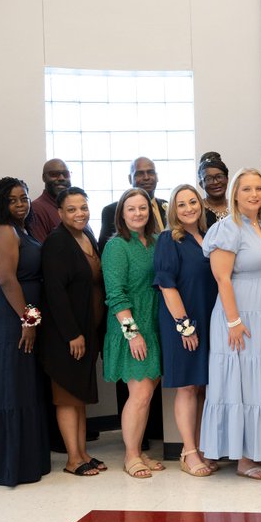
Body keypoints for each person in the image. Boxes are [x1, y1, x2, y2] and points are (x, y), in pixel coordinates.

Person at [200, 168, 261, 479]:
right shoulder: (227, 228)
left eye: (258, 188)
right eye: (247, 189)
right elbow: (222, 278)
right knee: (244, 382)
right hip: (240, 311)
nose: (254, 194)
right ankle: (244, 459)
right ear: (235, 193)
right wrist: (234, 321)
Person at [0, 177, 52, 487]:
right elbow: (9, 280)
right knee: (11, 388)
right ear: (0, 203)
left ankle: (31, 460)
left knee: (26, 388)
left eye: (23, 198)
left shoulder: (22, 229)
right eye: (13, 200)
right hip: (10, 318)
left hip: (24, 314)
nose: (21, 204)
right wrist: (28, 321)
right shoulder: (3, 230)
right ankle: (13, 468)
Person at [100, 187, 166, 479]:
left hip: (154, 323)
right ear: (121, 214)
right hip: (132, 325)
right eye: (131, 209)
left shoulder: (154, 242)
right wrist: (132, 333)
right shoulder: (116, 246)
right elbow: (115, 294)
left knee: (147, 393)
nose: (138, 213)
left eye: (142, 208)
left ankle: (138, 451)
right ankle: (130, 456)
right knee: (139, 393)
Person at [155, 185, 220, 477]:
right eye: (181, 205)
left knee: (205, 385)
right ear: (174, 211)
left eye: (193, 201)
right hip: (183, 323)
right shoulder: (169, 240)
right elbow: (167, 286)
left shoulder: (210, 237)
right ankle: (189, 451)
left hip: (210, 321)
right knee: (188, 387)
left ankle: (203, 447)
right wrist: (184, 326)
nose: (189, 208)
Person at [39, 187, 105, 476]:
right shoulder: (57, 243)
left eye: (83, 207)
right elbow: (55, 293)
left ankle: (82, 453)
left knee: (78, 395)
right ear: (60, 213)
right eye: (72, 209)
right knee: (67, 395)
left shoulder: (86, 235)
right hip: (65, 336)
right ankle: (72, 460)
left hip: (87, 330)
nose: (80, 213)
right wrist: (71, 334)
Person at [98, 157, 168, 252]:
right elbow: (104, 249)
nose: (146, 177)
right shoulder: (111, 211)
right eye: (139, 174)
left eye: (151, 172)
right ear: (130, 179)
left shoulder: (167, 206)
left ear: (157, 177)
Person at [27, 158, 71, 243]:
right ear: (44, 177)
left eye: (66, 174)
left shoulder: (74, 206)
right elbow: (43, 250)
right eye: (54, 174)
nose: (61, 178)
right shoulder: (36, 209)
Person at [198, 152, 231, 225]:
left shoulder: (237, 207)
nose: (215, 182)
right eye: (209, 179)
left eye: (219, 177)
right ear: (201, 184)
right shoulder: (196, 210)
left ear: (227, 179)